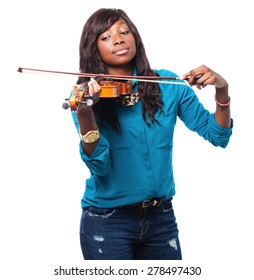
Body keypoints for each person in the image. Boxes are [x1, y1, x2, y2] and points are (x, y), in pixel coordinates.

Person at [69, 8, 233, 260]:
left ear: (135, 37)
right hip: (108, 221)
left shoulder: (167, 84)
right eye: (106, 37)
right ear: (93, 48)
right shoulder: (87, 96)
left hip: (161, 218)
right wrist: (85, 115)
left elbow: (218, 136)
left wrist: (222, 89)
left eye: (124, 32)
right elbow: (100, 166)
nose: (118, 39)